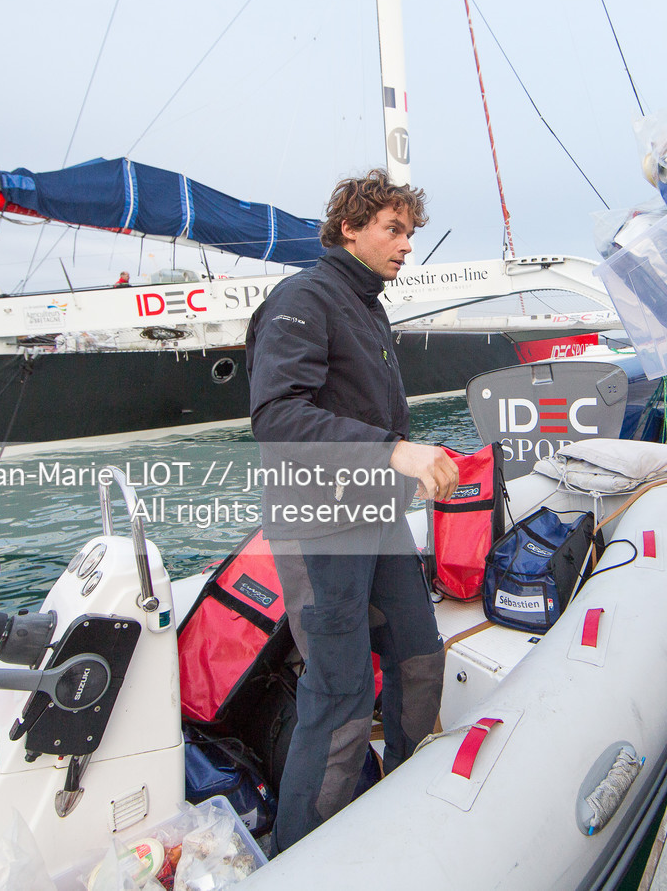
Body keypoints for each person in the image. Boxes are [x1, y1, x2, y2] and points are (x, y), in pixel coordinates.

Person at [245, 168, 459, 850]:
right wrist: (394, 452)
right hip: (319, 526)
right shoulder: (304, 296)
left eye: (410, 232)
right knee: (339, 694)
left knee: (420, 654)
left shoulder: (367, 303)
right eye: (394, 229)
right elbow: (277, 416)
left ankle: (403, 790)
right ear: (350, 227)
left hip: (376, 518)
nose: (405, 245)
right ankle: (304, 850)